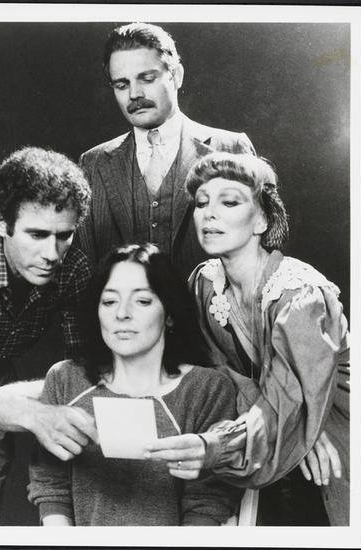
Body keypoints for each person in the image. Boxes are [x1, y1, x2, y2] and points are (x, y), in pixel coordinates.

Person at [145, 152, 349, 525]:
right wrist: (296, 424)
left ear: (261, 220)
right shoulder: (205, 283)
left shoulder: (299, 295)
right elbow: (213, 375)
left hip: (339, 434)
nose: (208, 214)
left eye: (229, 202)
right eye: (201, 203)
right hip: (264, 428)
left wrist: (304, 425)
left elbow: (289, 400)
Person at [28, 243, 243, 526]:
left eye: (142, 301)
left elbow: (208, 501)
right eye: (109, 301)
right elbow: (50, 485)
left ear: (170, 314)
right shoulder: (64, 379)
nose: (122, 314)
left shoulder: (207, 388)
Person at [0, 146, 98, 525]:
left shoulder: (72, 269)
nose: (52, 253)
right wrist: (29, 413)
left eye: (64, 236)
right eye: (37, 234)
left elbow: (86, 370)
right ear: (2, 221)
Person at [77, 22, 255, 279]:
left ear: (176, 75)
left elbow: (257, 256)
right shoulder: (92, 163)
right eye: (121, 85)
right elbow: (87, 271)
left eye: (147, 78)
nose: (134, 94)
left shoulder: (231, 148)